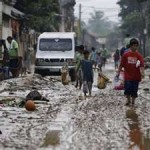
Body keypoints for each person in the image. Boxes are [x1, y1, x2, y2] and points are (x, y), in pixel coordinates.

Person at [117, 38, 145, 106]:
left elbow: (142, 65)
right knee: (128, 89)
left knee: (134, 90)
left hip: (136, 76)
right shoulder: (126, 55)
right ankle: (128, 100)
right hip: (128, 76)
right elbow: (121, 64)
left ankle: (133, 102)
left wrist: (143, 73)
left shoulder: (139, 55)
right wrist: (118, 72)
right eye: (134, 45)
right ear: (131, 46)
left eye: (136, 46)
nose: (135, 47)